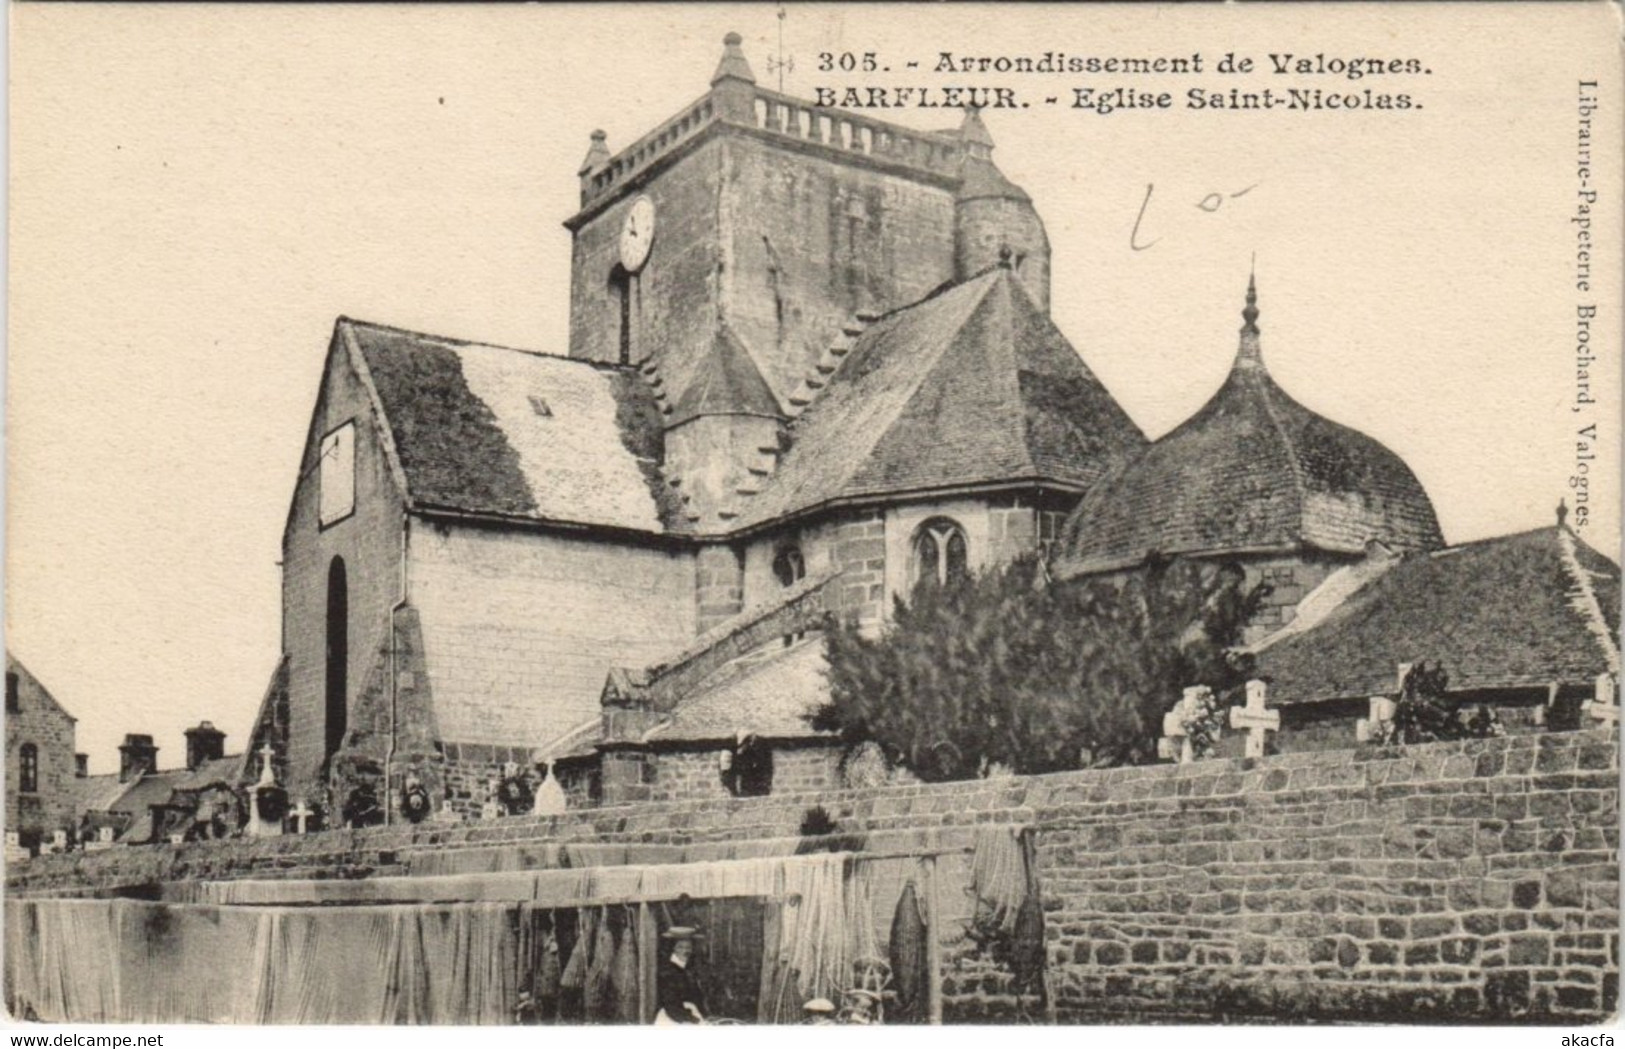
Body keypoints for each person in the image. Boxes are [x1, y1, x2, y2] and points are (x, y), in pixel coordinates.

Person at [654, 926, 707, 1024]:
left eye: (688, 947)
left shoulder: (688, 968)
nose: (685, 951)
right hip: (673, 1018)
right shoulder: (668, 971)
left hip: (689, 1014)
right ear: (673, 949)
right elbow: (670, 1004)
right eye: (680, 947)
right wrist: (691, 1019)